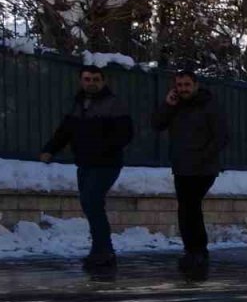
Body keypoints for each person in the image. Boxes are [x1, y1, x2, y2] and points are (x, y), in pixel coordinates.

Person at [39, 65, 134, 272]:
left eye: (96, 79)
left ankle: (103, 251)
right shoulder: (77, 104)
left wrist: (104, 148)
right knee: (90, 205)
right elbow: (64, 131)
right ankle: (102, 249)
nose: (92, 83)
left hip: (107, 163)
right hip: (84, 162)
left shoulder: (113, 104)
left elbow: (125, 133)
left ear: (103, 81)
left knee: (92, 201)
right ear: (81, 81)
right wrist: (49, 150)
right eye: (88, 79)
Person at [152, 70, 229, 277]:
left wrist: (203, 157)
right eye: (179, 85)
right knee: (186, 208)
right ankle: (192, 250)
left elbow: (221, 136)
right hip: (181, 167)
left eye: (187, 85)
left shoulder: (209, 105)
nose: (183, 89)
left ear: (195, 85)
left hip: (203, 168)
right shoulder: (176, 105)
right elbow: (157, 124)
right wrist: (168, 104)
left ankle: (198, 250)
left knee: (190, 206)